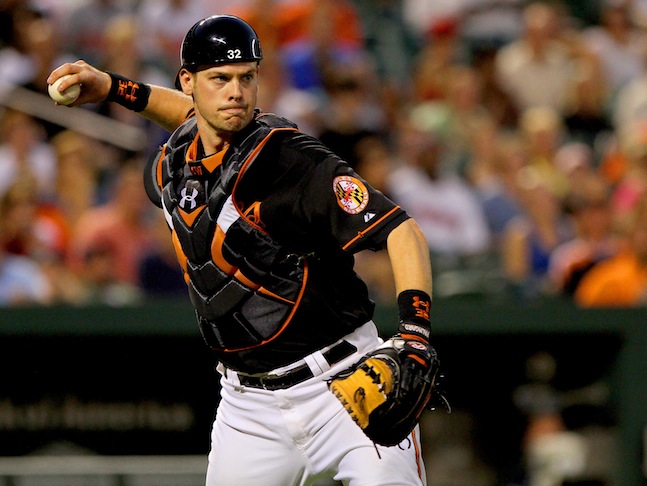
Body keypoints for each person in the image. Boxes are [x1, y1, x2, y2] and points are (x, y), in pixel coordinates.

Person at [48, 14, 437, 486]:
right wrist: (113, 88)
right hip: (247, 407)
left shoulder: (293, 161)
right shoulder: (174, 162)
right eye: (220, 78)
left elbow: (401, 231)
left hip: (346, 385)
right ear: (188, 82)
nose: (235, 91)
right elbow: (194, 119)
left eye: (246, 77)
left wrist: (415, 334)